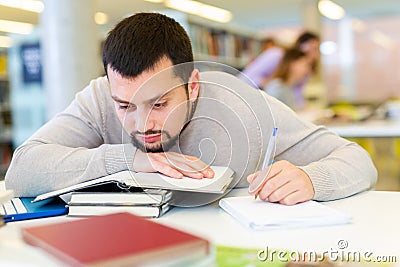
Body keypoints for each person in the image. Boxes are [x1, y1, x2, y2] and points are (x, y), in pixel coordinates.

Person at [5, 12, 377, 206]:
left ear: (193, 84)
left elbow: (357, 160)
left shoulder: (239, 102)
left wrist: (312, 180)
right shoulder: (98, 96)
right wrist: (127, 159)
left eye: (160, 103)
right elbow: (22, 171)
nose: (142, 123)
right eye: (125, 106)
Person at [240, 31, 320, 90]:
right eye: (313, 48)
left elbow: (297, 93)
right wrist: (272, 84)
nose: (315, 55)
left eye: (317, 50)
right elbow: (246, 78)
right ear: (299, 45)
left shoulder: (305, 69)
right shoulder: (276, 55)